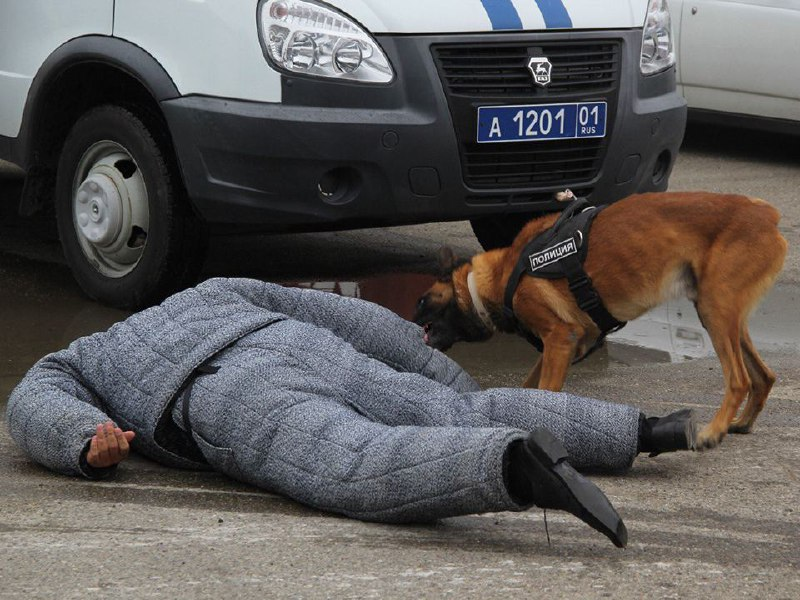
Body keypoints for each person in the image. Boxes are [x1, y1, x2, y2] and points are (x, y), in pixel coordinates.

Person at [6, 278, 694, 548]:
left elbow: (30, 399)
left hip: (224, 392)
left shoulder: (90, 353)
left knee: (350, 458)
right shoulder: (211, 290)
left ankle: (514, 468)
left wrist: (84, 441)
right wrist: (434, 370)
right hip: (306, 347)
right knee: (455, 407)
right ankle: (645, 431)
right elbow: (345, 314)